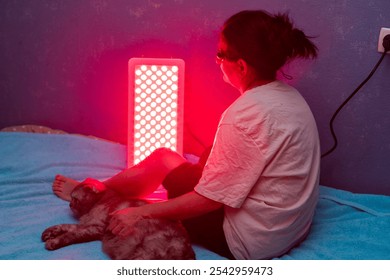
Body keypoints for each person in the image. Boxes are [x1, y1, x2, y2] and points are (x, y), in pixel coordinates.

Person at [52, 10, 320, 260]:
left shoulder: (243, 115)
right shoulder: (290, 98)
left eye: (220, 54)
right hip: (288, 229)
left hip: (248, 241)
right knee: (167, 158)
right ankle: (96, 188)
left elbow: (209, 200)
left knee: (165, 162)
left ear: (241, 66)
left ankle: (89, 193)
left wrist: (140, 213)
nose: (216, 61)